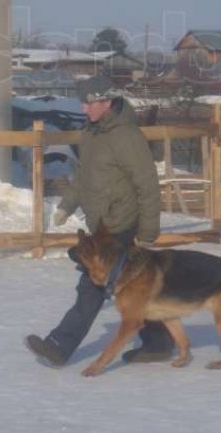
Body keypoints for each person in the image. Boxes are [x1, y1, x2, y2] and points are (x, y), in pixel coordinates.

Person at [25, 75, 175, 366]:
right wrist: (67, 205)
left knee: (91, 287)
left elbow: (147, 185)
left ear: (106, 102)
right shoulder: (92, 132)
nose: (84, 109)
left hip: (122, 224)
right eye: (83, 103)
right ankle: (158, 342)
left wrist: (147, 232)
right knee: (133, 287)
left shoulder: (126, 136)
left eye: (89, 104)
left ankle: (59, 345)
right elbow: (84, 176)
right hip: (103, 225)